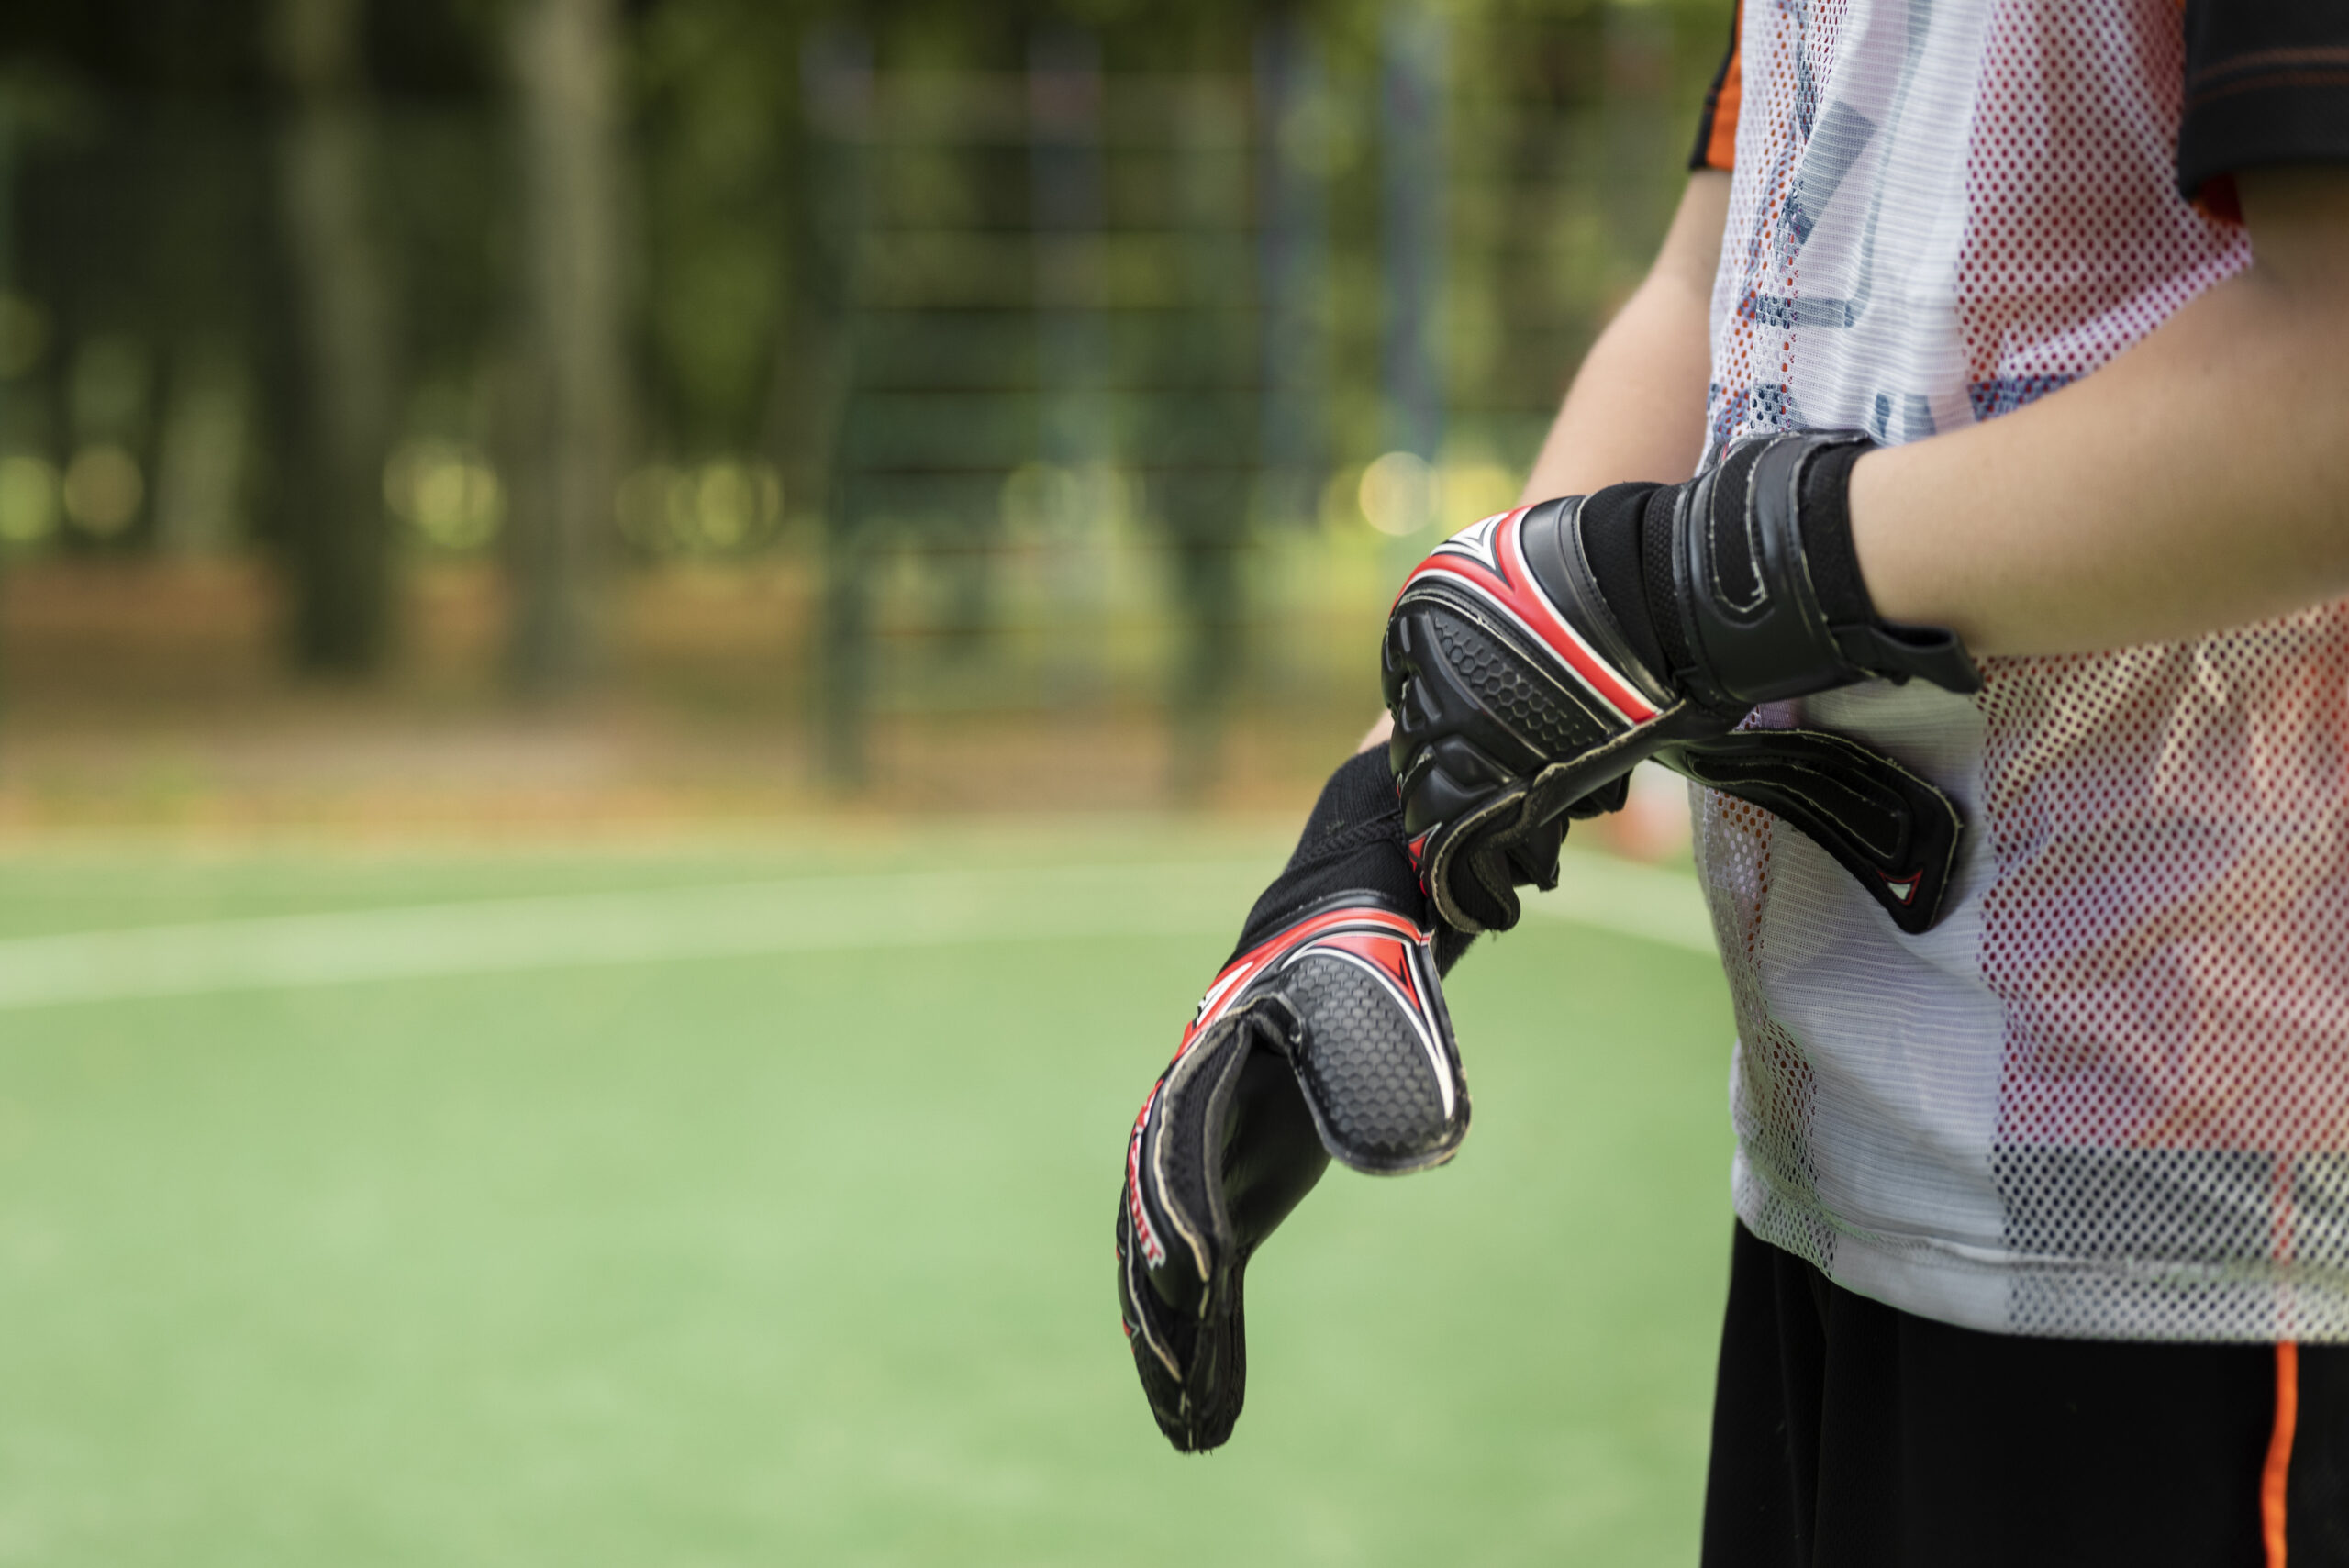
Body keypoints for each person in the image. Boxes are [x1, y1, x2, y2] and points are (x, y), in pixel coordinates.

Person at [1118, 2, 2349, 1561]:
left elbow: (2330, 371)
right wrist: (1387, 826)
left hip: (2211, 1235)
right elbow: (1722, 281)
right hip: (1835, 1178)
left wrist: (1696, 590)